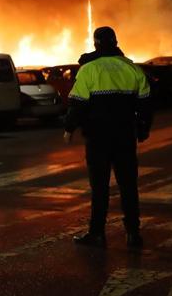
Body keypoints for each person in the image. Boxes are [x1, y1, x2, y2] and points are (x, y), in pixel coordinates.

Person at [64, 26, 153, 249]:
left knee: (100, 187)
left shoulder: (89, 70)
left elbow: (77, 104)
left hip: (98, 138)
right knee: (128, 186)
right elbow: (145, 103)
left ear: (96, 44)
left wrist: (69, 128)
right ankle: (133, 233)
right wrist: (143, 129)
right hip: (124, 136)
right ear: (115, 42)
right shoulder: (132, 68)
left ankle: (97, 234)